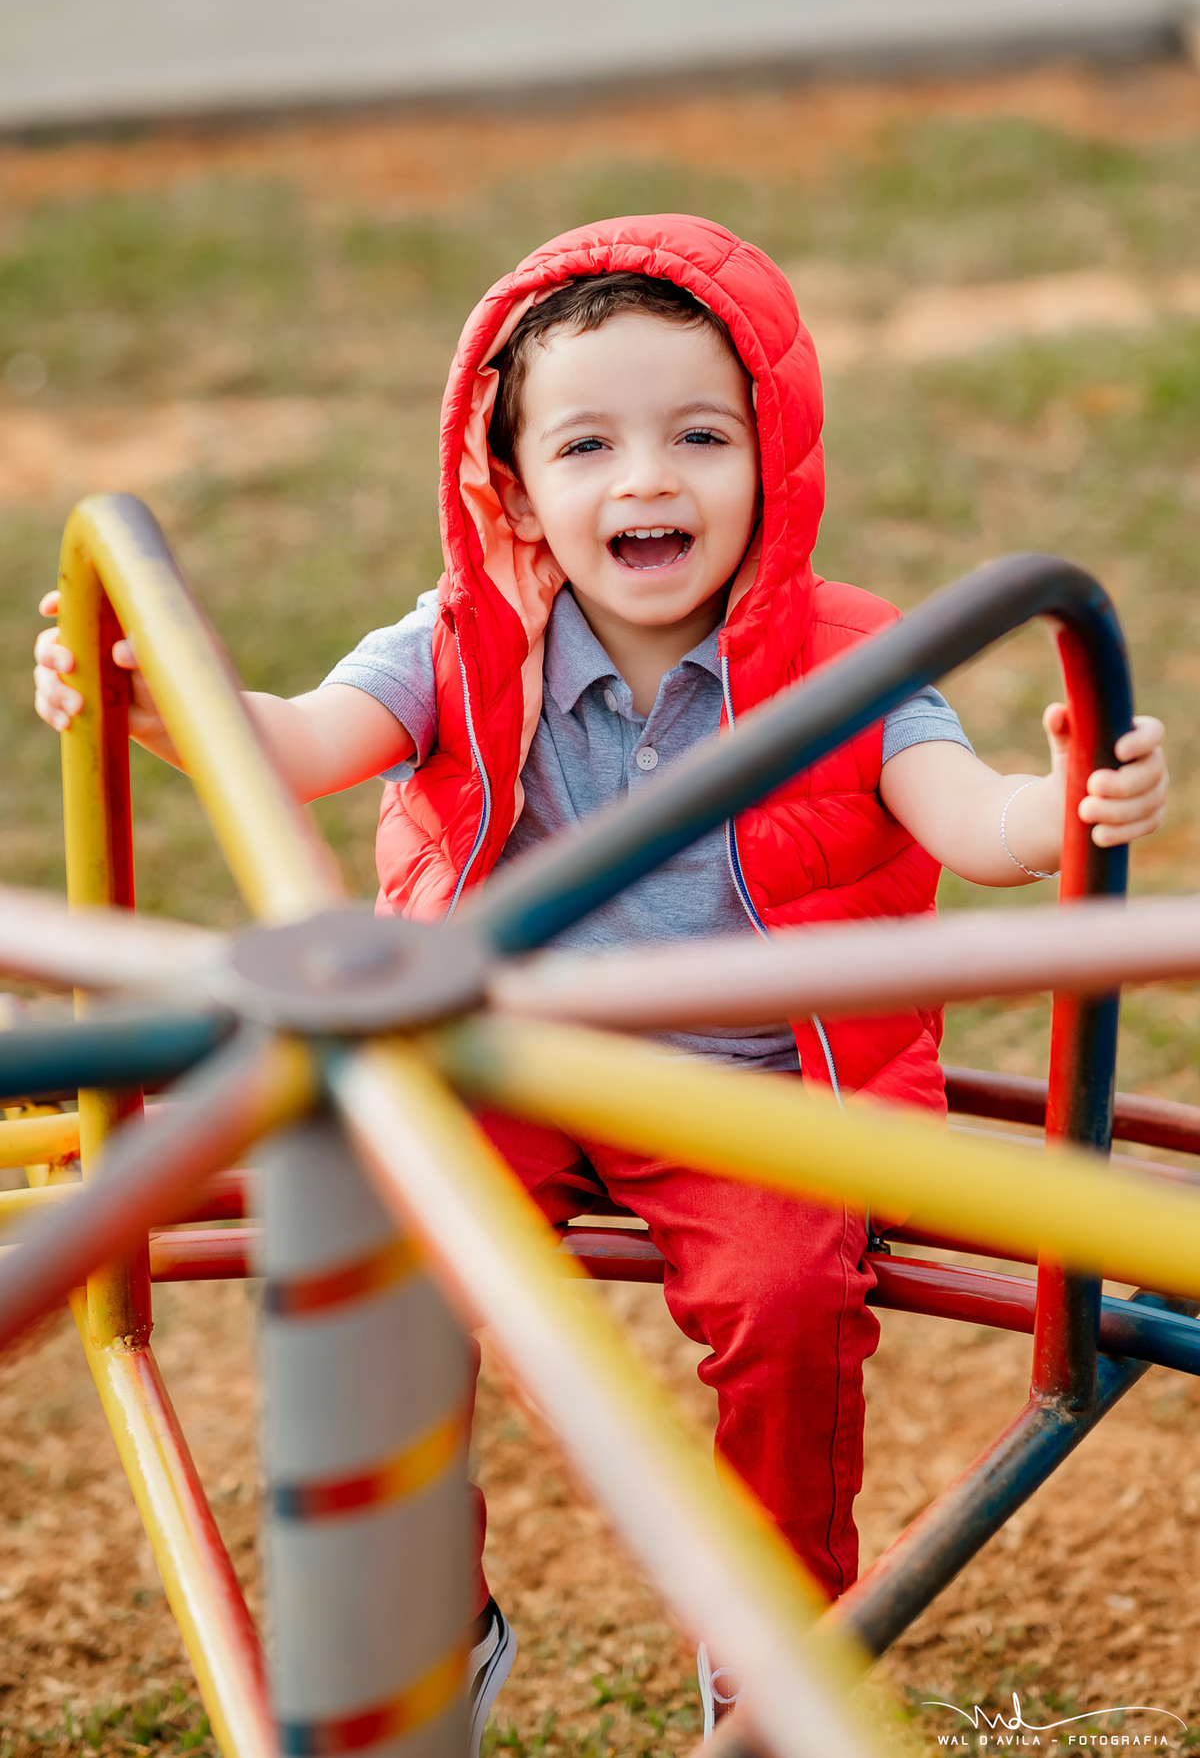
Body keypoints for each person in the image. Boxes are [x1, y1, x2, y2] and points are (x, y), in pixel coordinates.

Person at [34, 216, 1168, 1746]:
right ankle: (426, 1616)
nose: (645, 479)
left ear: (773, 457)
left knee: (789, 1299)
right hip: (501, 1053)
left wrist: (1067, 795)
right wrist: (159, 701)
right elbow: (293, 742)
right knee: (393, 1228)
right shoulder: (461, 641)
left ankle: (775, 1634)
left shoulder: (847, 663)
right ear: (509, 482)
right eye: (586, 443)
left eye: (699, 433)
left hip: (752, 1086)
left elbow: (973, 824)